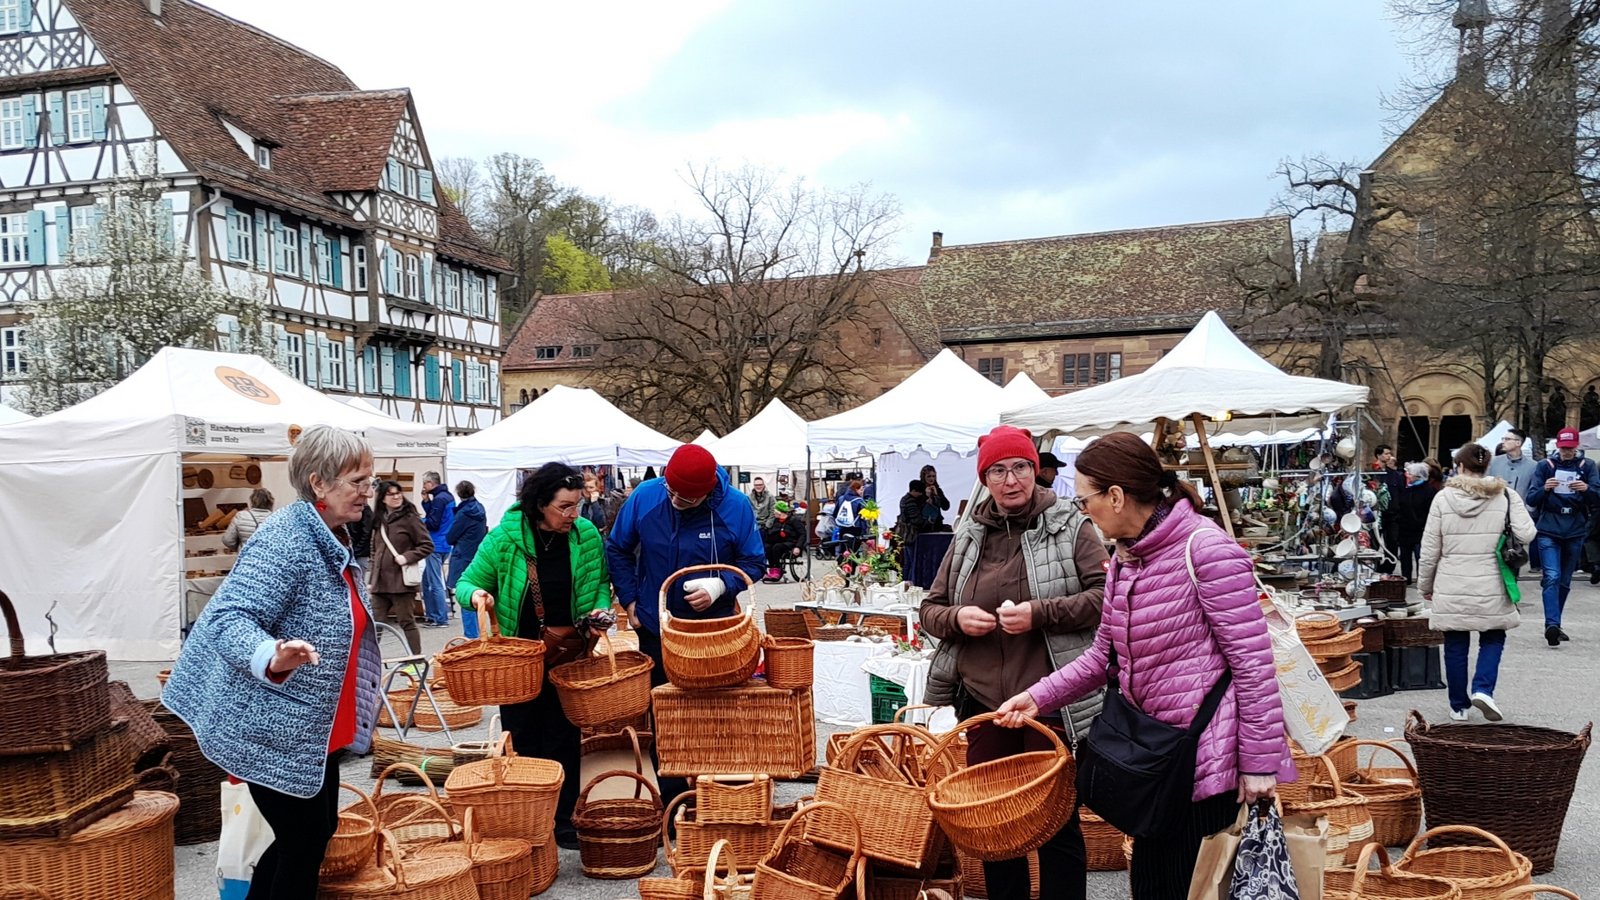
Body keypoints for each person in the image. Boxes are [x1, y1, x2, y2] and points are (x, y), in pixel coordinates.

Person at [995, 432, 1290, 900]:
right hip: (1155, 760)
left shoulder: (1207, 552)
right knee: (1153, 885)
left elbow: (1255, 667)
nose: (1081, 508)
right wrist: (1037, 697)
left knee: (1187, 886)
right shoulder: (1126, 560)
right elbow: (1101, 657)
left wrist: (1259, 764)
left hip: (1204, 763)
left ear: (1115, 496)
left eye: (1084, 497)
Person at [162, 426, 383, 899]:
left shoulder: (330, 536)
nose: (368, 491)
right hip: (270, 727)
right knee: (303, 843)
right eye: (357, 481)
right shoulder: (287, 539)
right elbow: (227, 617)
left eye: (371, 480)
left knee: (310, 835)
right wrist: (271, 654)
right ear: (318, 482)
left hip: (311, 729)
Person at [920, 426, 1107, 900]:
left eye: (1020, 467)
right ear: (984, 478)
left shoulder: (1070, 525)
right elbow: (930, 609)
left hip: (1050, 698)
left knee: (1055, 824)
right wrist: (958, 617)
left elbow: (1108, 598)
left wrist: (1040, 614)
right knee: (995, 825)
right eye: (997, 471)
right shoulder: (969, 534)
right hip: (983, 701)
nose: (1010, 480)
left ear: (1035, 471)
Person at [455, 462, 612, 850]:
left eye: (577, 504)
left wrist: (599, 612)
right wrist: (477, 596)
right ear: (540, 503)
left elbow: (599, 585)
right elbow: (467, 582)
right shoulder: (506, 537)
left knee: (564, 734)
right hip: (517, 661)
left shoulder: (586, 534)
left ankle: (564, 820)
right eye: (564, 506)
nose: (573, 514)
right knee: (523, 737)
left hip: (568, 653)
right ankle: (528, 821)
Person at [606, 443, 765, 803]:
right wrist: (630, 599)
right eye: (672, 492)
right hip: (657, 627)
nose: (676, 501)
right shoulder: (647, 497)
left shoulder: (735, 507)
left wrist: (722, 584)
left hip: (715, 632)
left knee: (716, 714)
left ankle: (721, 797)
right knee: (665, 715)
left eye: (687, 498)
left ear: (708, 492)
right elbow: (616, 547)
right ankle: (674, 803)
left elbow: (755, 562)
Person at [1419, 443, 1537, 722]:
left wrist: (1426, 585)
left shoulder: (1443, 498)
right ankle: (1483, 689)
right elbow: (1528, 533)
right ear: (1487, 467)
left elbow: (1429, 548)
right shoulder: (1506, 495)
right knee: (1494, 636)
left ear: (1459, 467)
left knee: (1455, 642)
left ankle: (1458, 705)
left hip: (1452, 581)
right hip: (1493, 579)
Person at [1524, 427, 1600, 646]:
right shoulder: (1544, 466)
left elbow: (1597, 498)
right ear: (1558, 446)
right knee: (1552, 576)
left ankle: (1556, 622)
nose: (1567, 451)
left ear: (1577, 446)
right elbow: (1532, 498)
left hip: (1575, 528)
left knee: (1565, 581)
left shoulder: (1588, 466)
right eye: (1563, 448)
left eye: (1570, 448)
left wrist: (1586, 489)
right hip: (1549, 528)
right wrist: (1545, 489)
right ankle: (1551, 624)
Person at [370, 480, 433, 654]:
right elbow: (375, 550)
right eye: (391, 494)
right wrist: (371, 578)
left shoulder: (410, 518)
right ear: (382, 498)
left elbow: (427, 545)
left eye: (398, 492)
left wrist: (407, 557)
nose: (396, 496)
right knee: (375, 624)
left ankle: (416, 659)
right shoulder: (379, 520)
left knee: (407, 621)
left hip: (402, 583)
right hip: (380, 584)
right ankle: (370, 662)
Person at [446, 481, 488, 639]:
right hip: (477, 556)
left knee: (466, 598)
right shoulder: (480, 509)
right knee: (477, 596)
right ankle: (480, 633)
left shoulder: (463, 514)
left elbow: (451, 537)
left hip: (463, 557)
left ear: (458, 493)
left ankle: (472, 636)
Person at [419, 472, 454, 626]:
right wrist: (426, 502)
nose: (423, 487)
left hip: (436, 543)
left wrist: (419, 521)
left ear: (431, 483)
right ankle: (433, 616)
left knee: (434, 582)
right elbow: (436, 516)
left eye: (424, 483)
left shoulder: (439, 499)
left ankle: (440, 618)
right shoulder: (447, 497)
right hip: (446, 543)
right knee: (427, 580)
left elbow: (433, 523)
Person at [1395, 462, 1436, 584]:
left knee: (1420, 557)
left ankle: (1422, 581)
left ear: (1418, 476)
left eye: (1410, 474)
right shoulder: (1406, 488)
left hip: (1420, 530)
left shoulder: (1428, 491)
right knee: (1405, 557)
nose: (1407, 476)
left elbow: (1429, 511)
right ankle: (1405, 579)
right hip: (1405, 529)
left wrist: (1422, 524)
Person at [1372, 444, 1404, 571]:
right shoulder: (1370, 472)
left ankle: (1388, 568)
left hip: (1392, 515)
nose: (1388, 456)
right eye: (1386, 453)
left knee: (1392, 543)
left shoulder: (1395, 475)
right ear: (1378, 455)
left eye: (1389, 453)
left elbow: (1400, 493)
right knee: (1373, 542)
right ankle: (1372, 566)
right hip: (1374, 515)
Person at [761, 500, 806, 582]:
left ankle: (777, 569)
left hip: (790, 543)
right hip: (777, 541)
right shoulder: (775, 521)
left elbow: (802, 534)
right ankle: (772, 569)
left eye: (775, 511)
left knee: (776, 547)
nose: (773, 513)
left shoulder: (793, 521)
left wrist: (798, 547)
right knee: (767, 547)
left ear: (779, 512)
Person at [1488, 429, 1536, 497]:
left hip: (1521, 506)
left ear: (1518, 443)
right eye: (1503, 439)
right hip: (1497, 505)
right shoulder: (1493, 462)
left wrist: (1527, 507)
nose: (1503, 442)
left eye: (1507, 439)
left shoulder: (1533, 466)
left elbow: (1533, 492)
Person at [833, 478, 866, 556]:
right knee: (853, 552)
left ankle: (841, 566)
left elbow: (835, 513)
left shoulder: (841, 498)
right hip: (855, 528)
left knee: (843, 550)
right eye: (861, 490)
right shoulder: (859, 501)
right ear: (855, 489)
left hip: (842, 528)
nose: (862, 492)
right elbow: (863, 517)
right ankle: (852, 566)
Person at [921, 464, 952, 531]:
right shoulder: (919, 489)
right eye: (929, 476)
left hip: (937, 524)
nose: (931, 478)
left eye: (933, 476)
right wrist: (926, 496)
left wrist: (936, 495)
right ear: (924, 477)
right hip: (924, 525)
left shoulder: (938, 490)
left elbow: (946, 507)